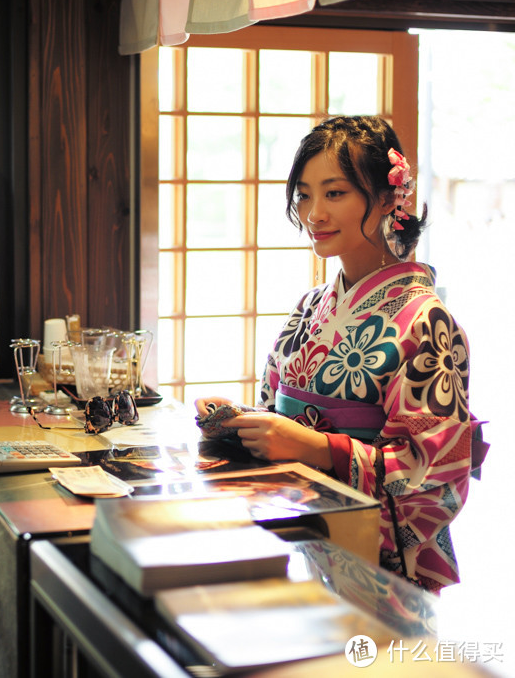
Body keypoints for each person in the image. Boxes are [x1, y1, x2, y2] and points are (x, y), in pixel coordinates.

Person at [195, 116, 477, 593]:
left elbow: (435, 475)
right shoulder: (309, 307)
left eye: (335, 193)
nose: (313, 214)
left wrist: (317, 447)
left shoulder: (426, 321)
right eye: (304, 194)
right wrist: (241, 420)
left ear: (390, 197)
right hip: (295, 536)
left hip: (378, 564)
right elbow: (277, 411)